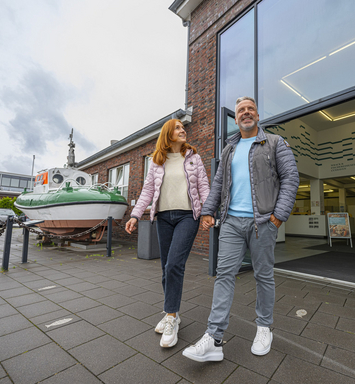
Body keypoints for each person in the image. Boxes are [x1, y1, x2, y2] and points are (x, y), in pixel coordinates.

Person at [182, 96, 299, 362]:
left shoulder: (275, 143)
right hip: (232, 222)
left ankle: (264, 328)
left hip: (263, 223)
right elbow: (219, 184)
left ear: (258, 115)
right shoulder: (229, 149)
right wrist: (208, 211)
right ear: (236, 119)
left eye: (250, 109)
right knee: (224, 275)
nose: (246, 113)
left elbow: (291, 178)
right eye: (241, 111)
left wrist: (278, 217)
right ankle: (214, 338)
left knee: (263, 276)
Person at [125, 118, 210, 348]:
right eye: (178, 128)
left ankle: (171, 316)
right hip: (163, 217)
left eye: (184, 128)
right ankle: (172, 312)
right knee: (165, 268)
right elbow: (147, 190)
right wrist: (135, 214)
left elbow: (203, 186)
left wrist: (207, 212)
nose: (183, 131)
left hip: (187, 217)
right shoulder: (156, 161)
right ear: (168, 134)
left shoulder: (193, 157)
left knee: (174, 264)